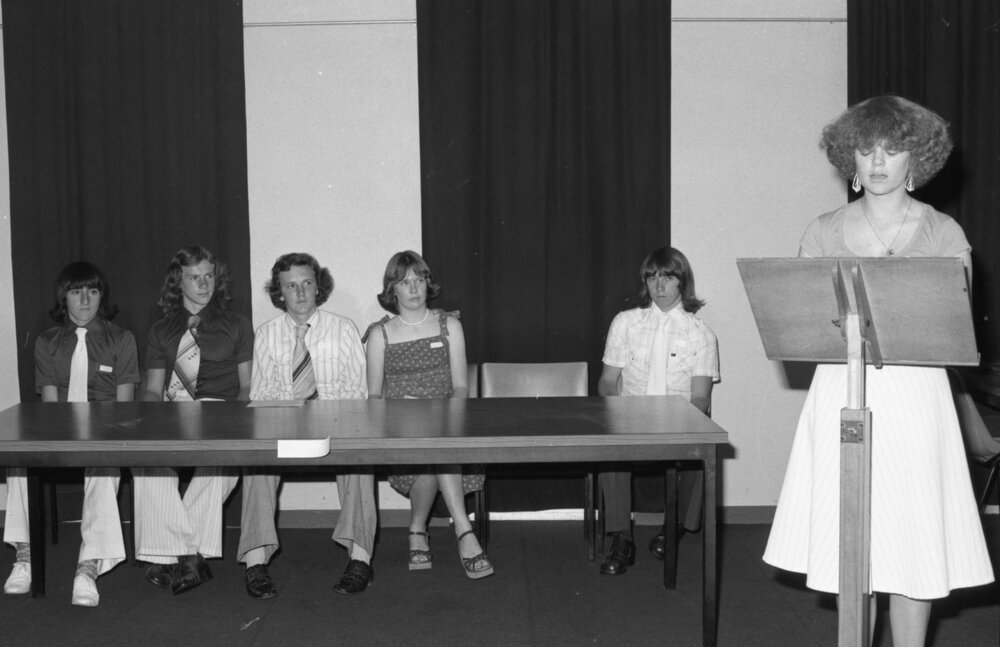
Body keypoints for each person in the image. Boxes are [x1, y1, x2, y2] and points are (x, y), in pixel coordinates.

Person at [762, 95, 994, 646]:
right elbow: (799, 322)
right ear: (851, 160)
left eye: (893, 149)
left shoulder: (945, 234)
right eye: (866, 150)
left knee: (911, 541)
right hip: (840, 391)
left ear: (917, 159)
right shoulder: (821, 231)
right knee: (853, 541)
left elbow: (954, 332)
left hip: (916, 397)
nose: (879, 161)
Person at [3, 262, 140, 606]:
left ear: (101, 296)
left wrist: (99, 439)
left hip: (106, 432)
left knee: (103, 468)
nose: (84, 300)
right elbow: (50, 408)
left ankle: (88, 566)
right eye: (76, 291)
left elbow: (125, 408)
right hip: (61, 431)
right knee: (20, 463)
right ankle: (25, 555)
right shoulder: (48, 342)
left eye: (92, 292)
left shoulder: (121, 339)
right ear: (64, 296)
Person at [250, 252, 377, 594]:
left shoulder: (343, 328)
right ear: (279, 293)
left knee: (359, 462)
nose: (301, 292)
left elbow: (358, 393)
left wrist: (327, 420)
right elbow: (260, 398)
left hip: (337, 424)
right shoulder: (266, 335)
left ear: (318, 288)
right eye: (291, 285)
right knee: (255, 466)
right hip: (283, 426)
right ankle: (256, 564)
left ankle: (360, 559)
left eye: (307, 283)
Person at [132, 247, 254, 596]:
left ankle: (168, 554)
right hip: (172, 411)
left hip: (220, 412)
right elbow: (153, 390)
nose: (203, 283)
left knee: (218, 468)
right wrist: (152, 424)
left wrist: (233, 420)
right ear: (178, 282)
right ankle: (190, 555)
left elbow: (247, 387)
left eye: (209, 276)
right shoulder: (161, 330)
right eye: (193, 276)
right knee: (147, 465)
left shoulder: (237, 325)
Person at [363, 250, 493, 579]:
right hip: (401, 427)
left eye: (419, 279)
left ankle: (419, 528)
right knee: (436, 450)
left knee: (440, 445)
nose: (414, 288)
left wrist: (443, 413)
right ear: (392, 289)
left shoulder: (449, 324)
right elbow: (374, 397)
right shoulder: (381, 334)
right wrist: (402, 411)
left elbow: (462, 388)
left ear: (427, 283)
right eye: (404, 282)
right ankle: (464, 533)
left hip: (447, 421)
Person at [596, 246, 719, 576]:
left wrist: (682, 426)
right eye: (651, 277)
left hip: (677, 421)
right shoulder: (625, 323)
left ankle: (674, 526)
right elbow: (607, 383)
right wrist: (620, 415)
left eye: (667, 277)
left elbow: (701, 398)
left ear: (682, 282)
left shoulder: (701, 334)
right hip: (631, 419)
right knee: (610, 444)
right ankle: (622, 537)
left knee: (703, 438)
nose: (658, 285)